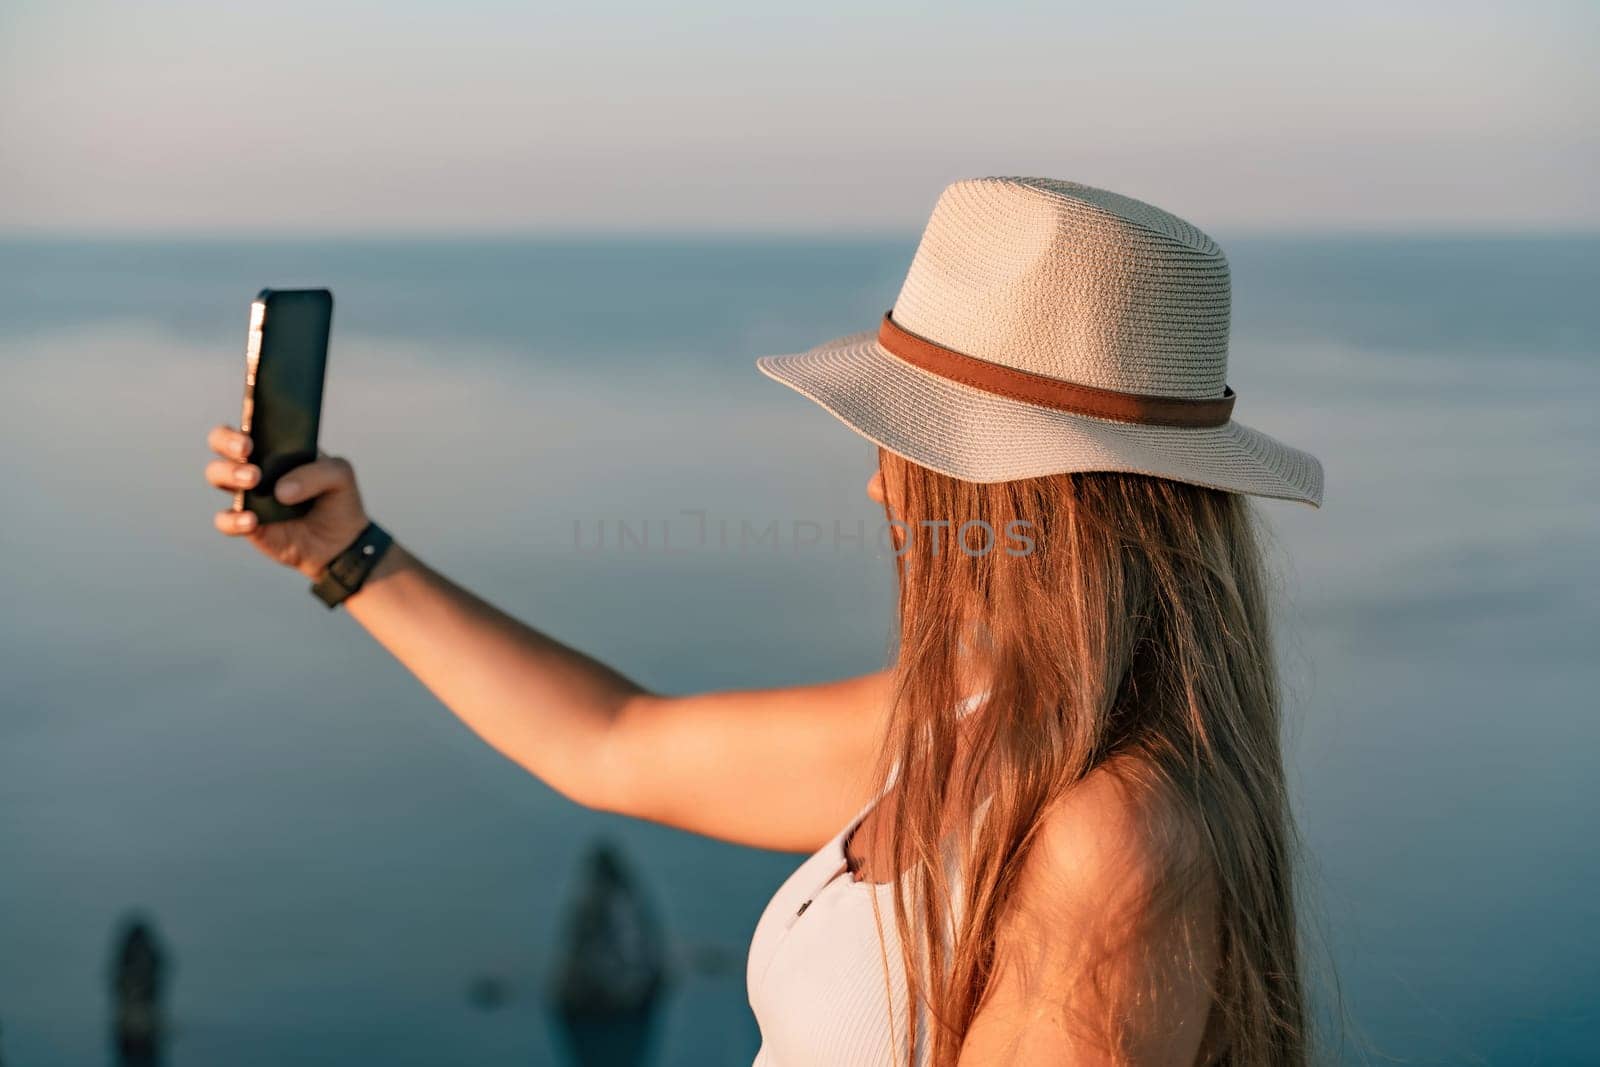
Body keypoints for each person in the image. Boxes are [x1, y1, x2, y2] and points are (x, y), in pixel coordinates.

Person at [204, 178, 1323, 1066]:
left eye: (905, 446)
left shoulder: (1104, 837)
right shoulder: (974, 719)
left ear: (1009, 490)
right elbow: (611, 740)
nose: (879, 491)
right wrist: (347, 554)